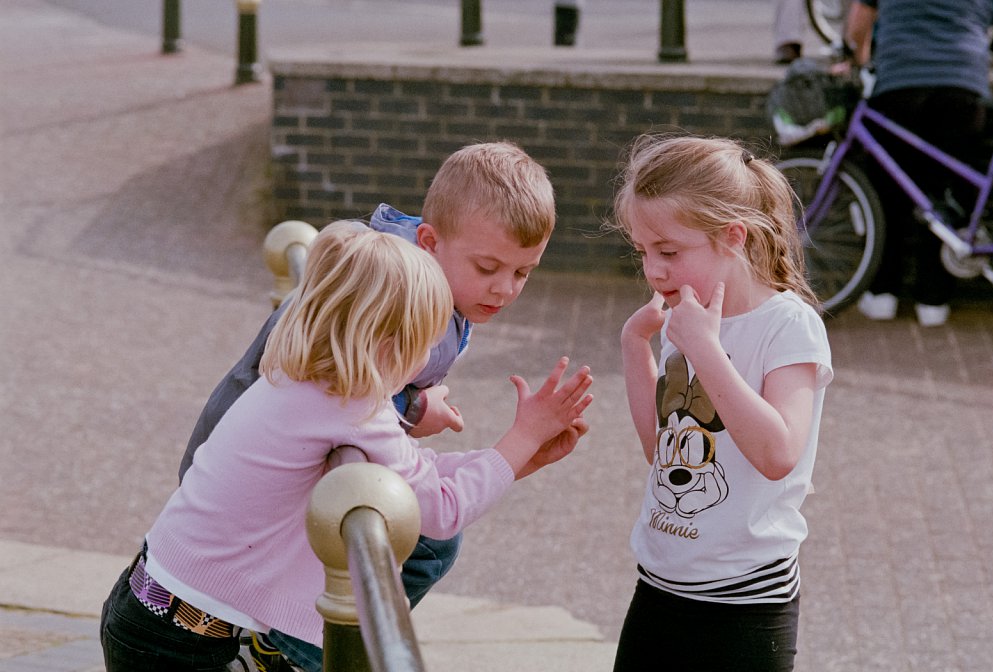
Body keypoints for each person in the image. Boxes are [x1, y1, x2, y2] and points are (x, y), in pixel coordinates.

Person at [99, 221, 594, 672]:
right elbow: (440, 512)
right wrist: (522, 436)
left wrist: (515, 462)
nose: (427, 360)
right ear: (388, 341)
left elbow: (413, 471)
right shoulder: (352, 401)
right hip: (176, 646)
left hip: (154, 612)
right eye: (425, 341)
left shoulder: (308, 377)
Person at [175, 141, 565, 669]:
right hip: (266, 478)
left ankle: (292, 643)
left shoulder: (419, 277)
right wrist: (411, 410)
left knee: (420, 539)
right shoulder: (381, 290)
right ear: (429, 242)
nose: (505, 289)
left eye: (523, 273)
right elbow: (332, 376)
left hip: (299, 453)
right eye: (489, 267)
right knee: (419, 538)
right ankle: (291, 650)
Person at [609, 135, 833, 671]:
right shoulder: (684, 320)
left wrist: (705, 349)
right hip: (660, 584)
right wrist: (635, 346)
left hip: (747, 603)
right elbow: (660, 452)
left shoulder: (789, 325)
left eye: (668, 252)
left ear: (733, 237)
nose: (653, 270)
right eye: (643, 252)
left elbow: (778, 453)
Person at [845, 0, 993, 326]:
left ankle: (883, 293)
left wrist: (859, 58)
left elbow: (859, 23)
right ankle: (934, 300)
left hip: (898, 82)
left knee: (889, 191)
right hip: (962, 84)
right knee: (948, 194)